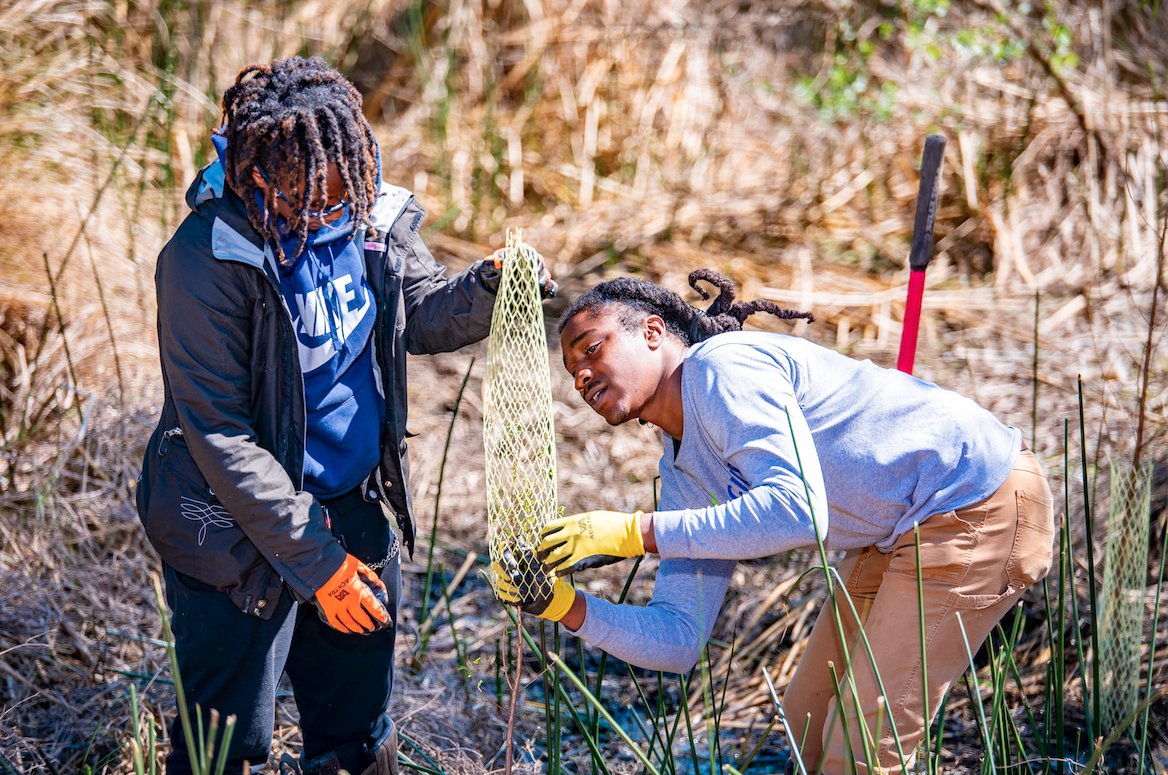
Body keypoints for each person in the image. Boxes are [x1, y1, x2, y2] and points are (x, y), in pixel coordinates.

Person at [135, 56, 554, 775]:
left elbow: (415, 312)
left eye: (341, 199)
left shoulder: (367, 212)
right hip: (230, 529)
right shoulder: (204, 261)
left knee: (356, 737)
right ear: (257, 175)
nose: (328, 216)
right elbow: (222, 437)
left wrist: (486, 289)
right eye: (308, 202)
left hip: (351, 504)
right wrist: (319, 565)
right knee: (223, 750)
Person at [492, 269, 1054, 774]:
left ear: (653, 332)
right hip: (897, 535)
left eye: (592, 349)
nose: (583, 376)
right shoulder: (683, 467)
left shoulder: (722, 369)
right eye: (572, 372)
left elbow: (799, 511)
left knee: (860, 747)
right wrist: (567, 608)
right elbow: (680, 640)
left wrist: (636, 532)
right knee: (807, 726)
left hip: (976, 505)